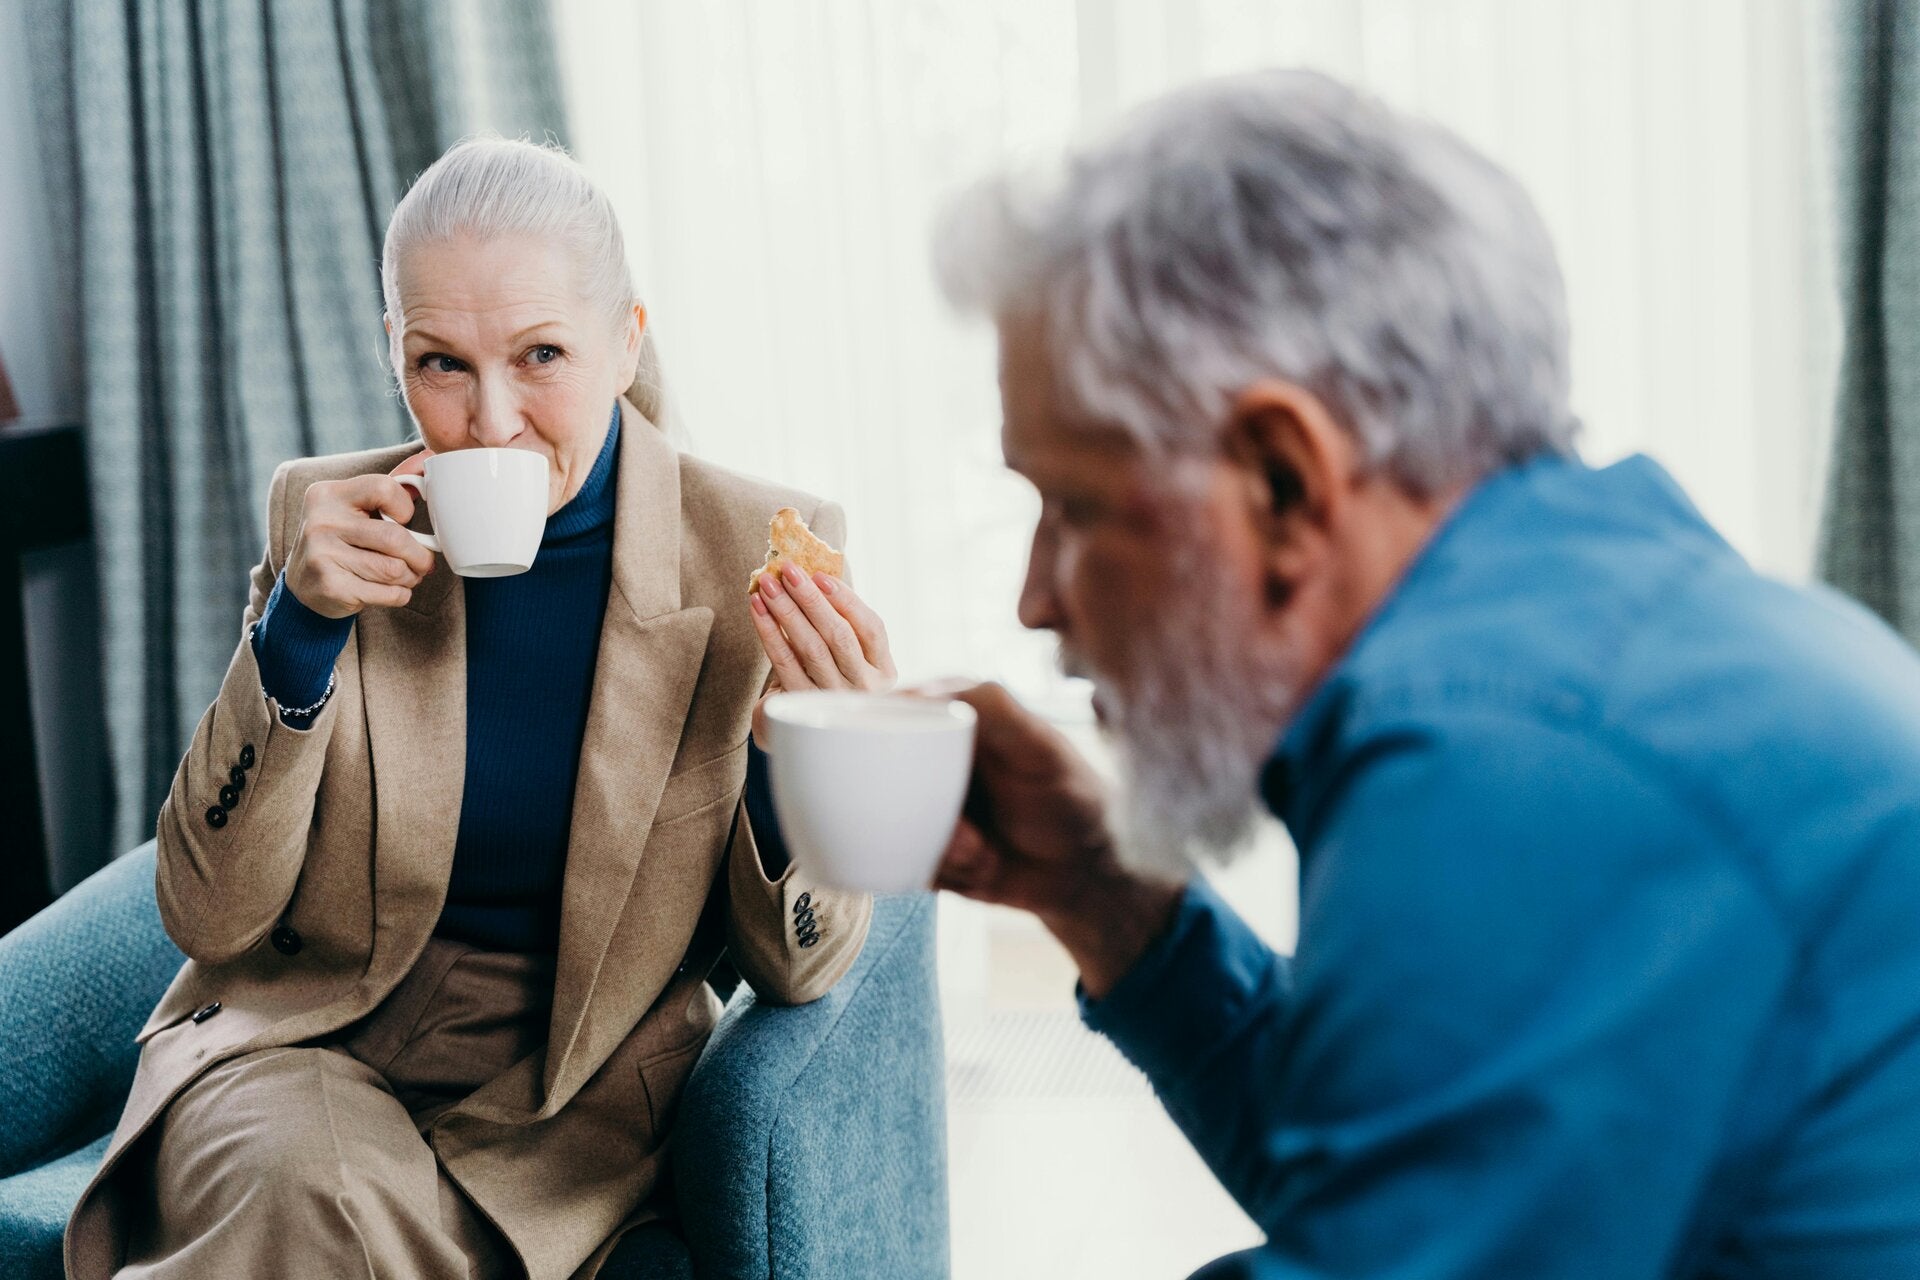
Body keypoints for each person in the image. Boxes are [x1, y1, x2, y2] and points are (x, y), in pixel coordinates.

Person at [928, 69, 1920, 1276]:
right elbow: (1394, 1169)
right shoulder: (1590, 629)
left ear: (1285, 480)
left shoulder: (1519, 751)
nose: (1036, 597)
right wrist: (1100, 891)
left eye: (1074, 507)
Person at [65, 137, 898, 1280]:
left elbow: (801, 969)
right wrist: (296, 639)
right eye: (441, 363)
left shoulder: (751, 552)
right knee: (316, 1197)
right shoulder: (326, 526)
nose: (490, 418)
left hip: (573, 1091)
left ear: (627, 341)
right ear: (395, 358)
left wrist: (800, 765)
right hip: (308, 1043)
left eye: (542, 353)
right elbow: (209, 914)